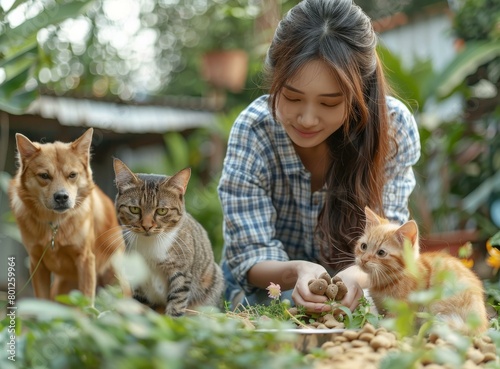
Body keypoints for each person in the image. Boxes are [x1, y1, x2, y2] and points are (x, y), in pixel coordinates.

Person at [217, 0, 421, 314]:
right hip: (264, 292)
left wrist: (354, 276)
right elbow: (249, 255)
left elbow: (390, 243)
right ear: (274, 82)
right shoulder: (254, 131)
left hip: (356, 289)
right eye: (292, 97)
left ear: (357, 96)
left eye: (328, 103)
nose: (308, 119)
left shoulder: (393, 129)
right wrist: (295, 271)